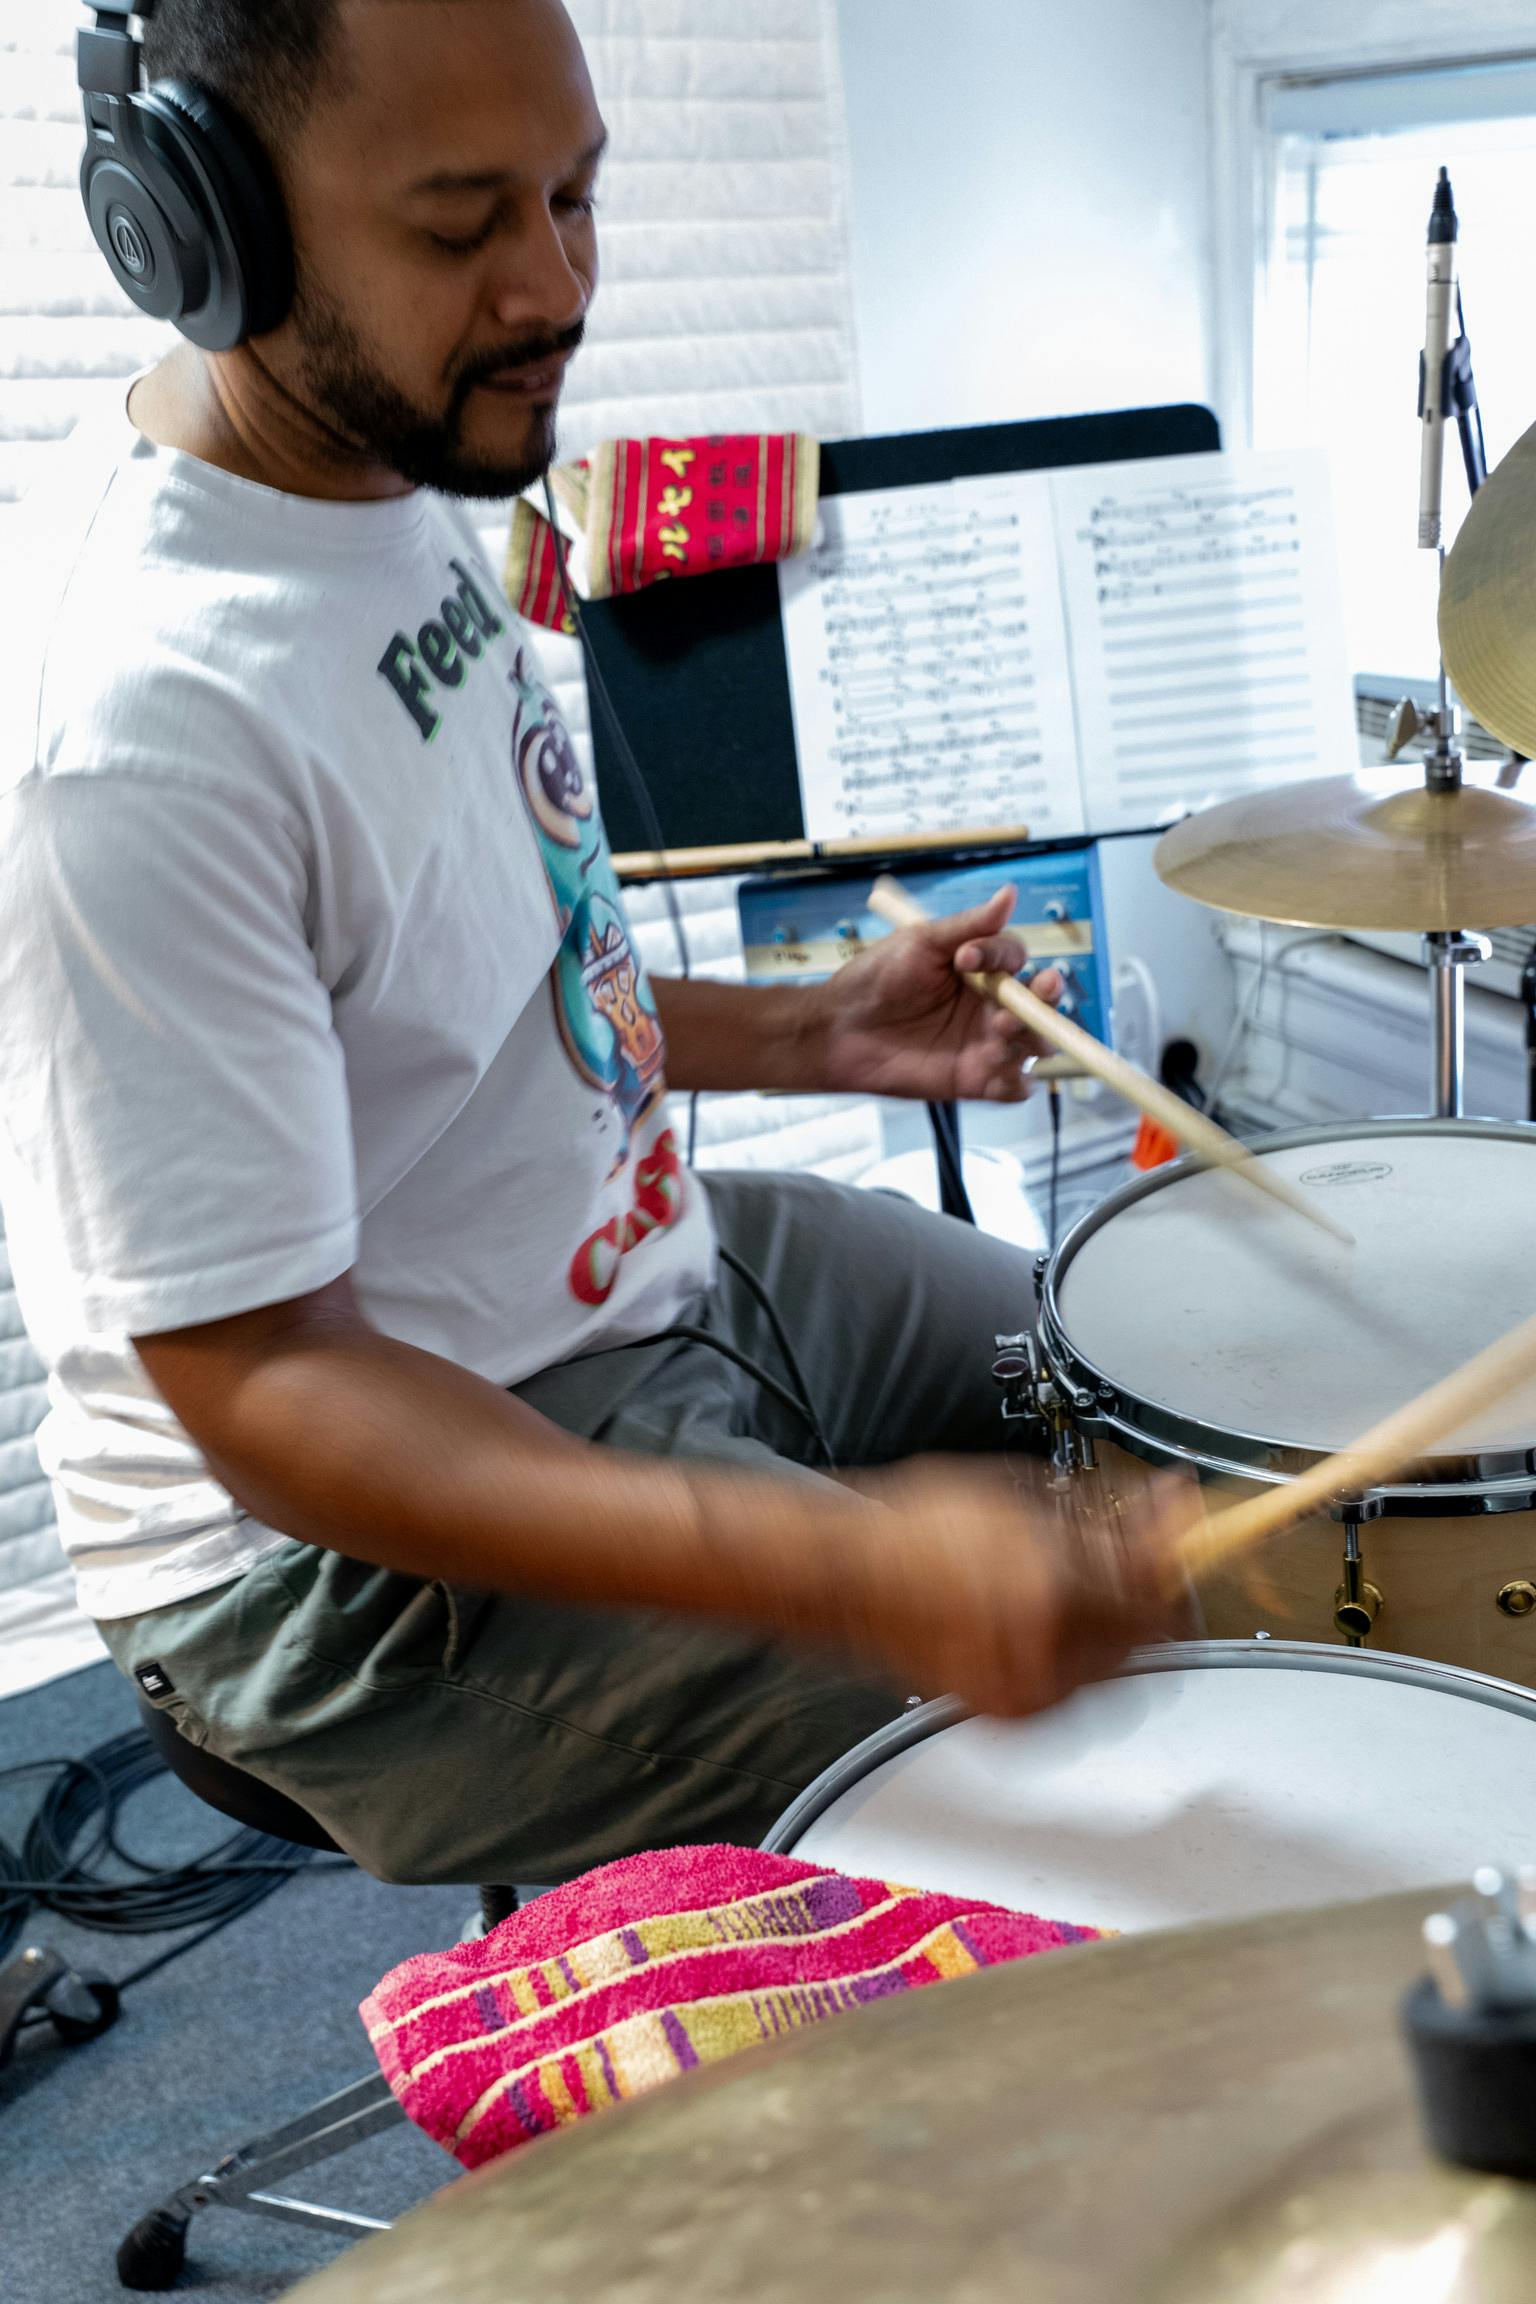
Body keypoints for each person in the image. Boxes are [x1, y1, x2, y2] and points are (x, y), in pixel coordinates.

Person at [0, 0, 1181, 1887]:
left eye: (573, 198)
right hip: (320, 1566)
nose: (554, 289)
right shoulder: (134, 739)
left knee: (1145, 1361)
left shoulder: (385, 457)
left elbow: (479, 966)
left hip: (630, 1269)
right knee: (1060, 1800)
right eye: (461, 224)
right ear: (212, 225)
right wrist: (846, 1559)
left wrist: (816, 1036)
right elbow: (268, 1388)